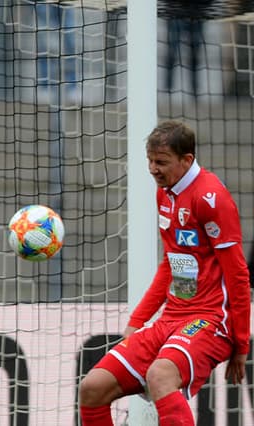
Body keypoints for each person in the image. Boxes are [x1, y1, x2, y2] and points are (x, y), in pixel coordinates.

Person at [78, 120, 251, 425]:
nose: (152, 169)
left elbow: (237, 273)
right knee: (92, 388)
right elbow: (171, 265)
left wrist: (241, 342)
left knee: (160, 375)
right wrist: (137, 322)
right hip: (172, 318)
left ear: (187, 160)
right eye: (150, 161)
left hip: (211, 320)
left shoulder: (211, 198)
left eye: (161, 162)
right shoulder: (166, 194)